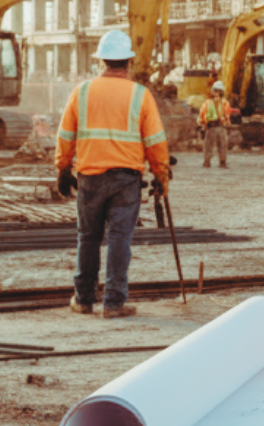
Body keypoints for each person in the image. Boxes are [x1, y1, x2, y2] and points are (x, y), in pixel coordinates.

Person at [54, 30, 170, 319]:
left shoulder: (81, 92)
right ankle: (113, 304)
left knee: (88, 237)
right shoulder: (140, 95)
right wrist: (161, 176)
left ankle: (83, 299)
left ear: (102, 61)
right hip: (125, 179)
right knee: (119, 239)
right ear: (128, 62)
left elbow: (65, 135)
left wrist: (62, 168)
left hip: (89, 177)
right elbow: (155, 142)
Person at [199, 81, 231, 169]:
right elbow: (227, 114)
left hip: (210, 127)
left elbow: (202, 114)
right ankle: (222, 162)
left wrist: (202, 125)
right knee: (222, 145)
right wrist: (227, 124)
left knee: (208, 145)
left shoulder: (207, 103)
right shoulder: (225, 102)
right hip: (221, 127)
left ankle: (207, 162)